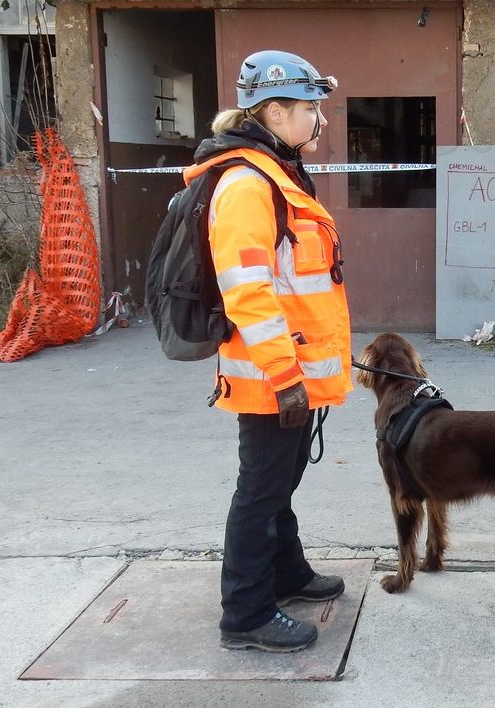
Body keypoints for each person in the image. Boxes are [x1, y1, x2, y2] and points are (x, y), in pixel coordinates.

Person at [187, 50, 353, 653]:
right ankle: (247, 614)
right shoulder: (247, 184)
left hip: (291, 368)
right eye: (311, 108)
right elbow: (247, 291)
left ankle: (287, 573)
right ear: (276, 111)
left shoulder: (275, 172)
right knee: (259, 490)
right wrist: (285, 375)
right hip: (271, 374)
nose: (319, 120)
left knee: (278, 482)